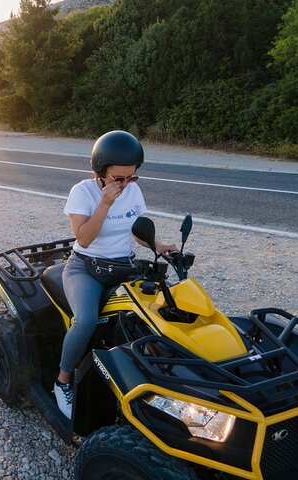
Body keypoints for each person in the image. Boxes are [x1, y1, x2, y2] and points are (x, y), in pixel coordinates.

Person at [54, 130, 176, 419]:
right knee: (85, 321)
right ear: (99, 172)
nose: (125, 184)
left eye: (131, 177)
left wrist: (160, 246)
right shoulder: (82, 192)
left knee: (161, 309)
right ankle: (62, 381)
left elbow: (135, 233)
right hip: (85, 267)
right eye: (118, 179)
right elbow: (83, 238)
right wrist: (105, 203)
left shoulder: (133, 191)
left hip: (122, 266)